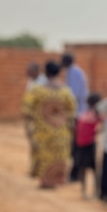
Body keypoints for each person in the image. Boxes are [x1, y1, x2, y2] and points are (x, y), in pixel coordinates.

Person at [22, 60, 77, 189]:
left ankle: (46, 181)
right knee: (59, 155)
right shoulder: (66, 91)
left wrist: (29, 129)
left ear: (45, 72)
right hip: (62, 132)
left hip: (43, 133)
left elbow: (26, 111)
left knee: (44, 156)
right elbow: (72, 113)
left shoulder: (37, 91)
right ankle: (57, 179)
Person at [61, 53, 88, 181]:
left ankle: (76, 174)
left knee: (76, 145)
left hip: (78, 114)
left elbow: (74, 95)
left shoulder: (74, 73)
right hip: (76, 113)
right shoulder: (71, 72)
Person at [75, 93, 102, 199]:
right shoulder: (92, 115)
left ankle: (86, 191)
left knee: (85, 169)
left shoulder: (83, 115)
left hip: (84, 144)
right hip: (88, 145)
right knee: (93, 169)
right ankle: (94, 191)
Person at [24, 62, 46, 177]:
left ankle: (41, 169)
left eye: (30, 71)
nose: (27, 73)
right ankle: (34, 169)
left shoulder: (44, 82)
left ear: (36, 71)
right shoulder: (30, 81)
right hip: (32, 117)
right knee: (33, 144)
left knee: (41, 144)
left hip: (42, 118)